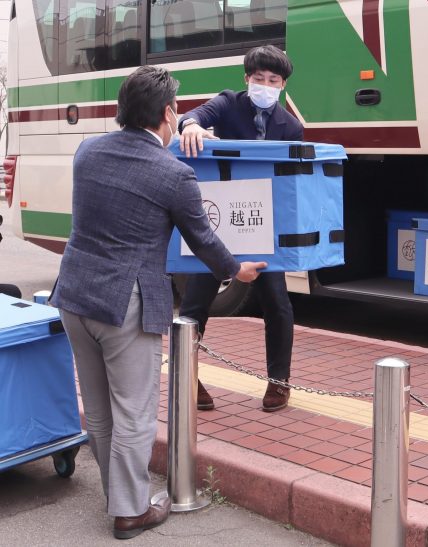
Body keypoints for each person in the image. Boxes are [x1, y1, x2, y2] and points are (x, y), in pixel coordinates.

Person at [50, 66, 266, 539]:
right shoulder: (173, 172)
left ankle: (119, 493)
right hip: (125, 303)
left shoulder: (87, 151)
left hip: (75, 295)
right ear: (168, 114)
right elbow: (203, 239)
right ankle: (130, 512)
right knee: (133, 410)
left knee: (102, 409)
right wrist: (237, 270)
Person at [177, 45, 304, 413]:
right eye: (259, 78)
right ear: (247, 78)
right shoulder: (229, 103)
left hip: (263, 229)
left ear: (282, 84)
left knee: (277, 302)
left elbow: (291, 183)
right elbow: (195, 115)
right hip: (219, 227)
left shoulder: (290, 126)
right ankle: (189, 374)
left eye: (273, 80)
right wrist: (193, 127)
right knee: (196, 302)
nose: (265, 85)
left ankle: (279, 382)